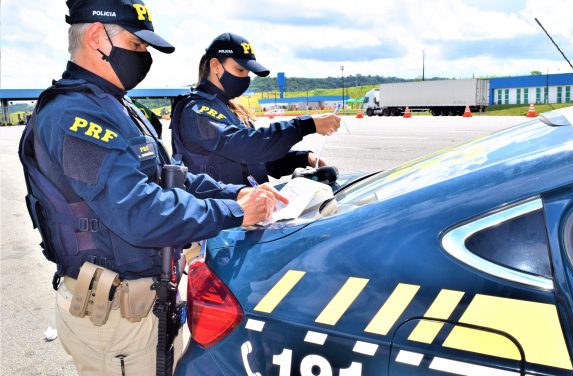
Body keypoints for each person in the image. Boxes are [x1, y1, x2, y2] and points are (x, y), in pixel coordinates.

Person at [18, 1, 286, 375]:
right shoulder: (74, 115)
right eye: (138, 45)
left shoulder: (116, 106)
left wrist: (231, 194)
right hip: (114, 317)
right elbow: (138, 211)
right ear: (98, 36)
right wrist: (235, 213)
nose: (144, 57)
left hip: (144, 306)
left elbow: (169, 176)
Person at [169, 32, 341, 185]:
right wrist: (305, 125)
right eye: (240, 69)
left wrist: (302, 158)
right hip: (220, 214)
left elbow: (261, 158)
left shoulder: (229, 109)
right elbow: (245, 146)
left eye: (248, 73)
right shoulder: (196, 111)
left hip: (250, 210)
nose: (246, 78)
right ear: (215, 66)